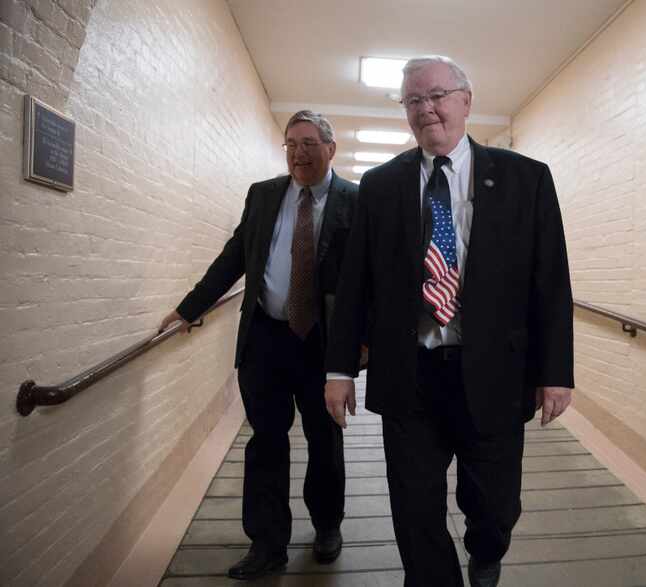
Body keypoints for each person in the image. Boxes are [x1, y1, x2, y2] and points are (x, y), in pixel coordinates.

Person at [324, 56, 574, 587]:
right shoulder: (381, 184)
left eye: (437, 95)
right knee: (414, 511)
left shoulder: (524, 179)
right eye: (413, 100)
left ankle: (487, 552)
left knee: (494, 504)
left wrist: (556, 371)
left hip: (496, 374)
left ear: (466, 100)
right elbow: (355, 286)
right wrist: (338, 369)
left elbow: (550, 283)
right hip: (410, 374)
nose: (426, 108)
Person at [159, 111, 357, 580]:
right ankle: (267, 544)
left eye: (309, 143)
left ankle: (328, 524)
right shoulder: (264, 195)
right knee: (265, 441)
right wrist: (190, 307)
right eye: (290, 144)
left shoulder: (356, 199)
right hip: (265, 338)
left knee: (323, 439)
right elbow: (235, 256)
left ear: (331, 148)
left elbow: (367, 279)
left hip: (322, 345)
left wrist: (361, 343)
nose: (299, 153)